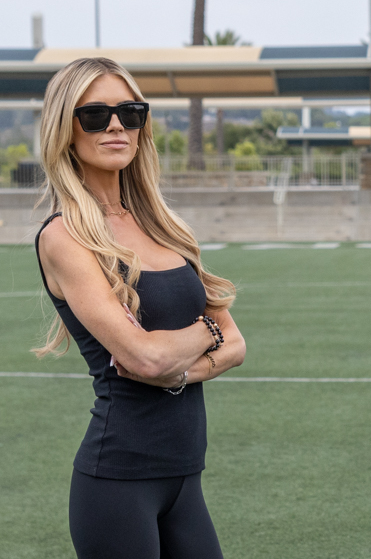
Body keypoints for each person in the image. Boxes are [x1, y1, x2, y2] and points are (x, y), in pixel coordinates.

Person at [33, 57, 246, 558]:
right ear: (66, 128)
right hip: (117, 481)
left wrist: (176, 369)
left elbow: (236, 343)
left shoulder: (165, 226)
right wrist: (203, 336)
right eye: (95, 115)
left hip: (185, 477)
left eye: (130, 113)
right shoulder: (65, 236)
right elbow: (144, 359)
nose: (115, 125)